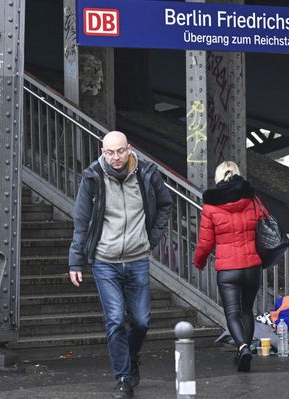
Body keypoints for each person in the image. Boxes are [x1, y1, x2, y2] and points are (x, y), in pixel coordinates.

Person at [68, 131, 172, 399]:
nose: (115, 157)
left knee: (141, 321)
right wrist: (75, 261)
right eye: (110, 152)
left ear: (129, 149)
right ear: (102, 151)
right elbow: (81, 222)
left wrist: (152, 238)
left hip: (137, 258)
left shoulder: (147, 173)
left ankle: (132, 356)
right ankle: (123, 378)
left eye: (120, 151)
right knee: (114, 320)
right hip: (105, 261)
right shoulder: (92, 178)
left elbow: (165, 205)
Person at [194, 161, 264, 372]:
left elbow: (205, 242)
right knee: (247, 311)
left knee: (232, 313)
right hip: (252, 266)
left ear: (218, 177)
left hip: (228, 269)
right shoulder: (252, 200)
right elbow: (266, 223)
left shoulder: (211, 207)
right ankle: (245, 350)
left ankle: (242, 347)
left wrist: (199, 261)